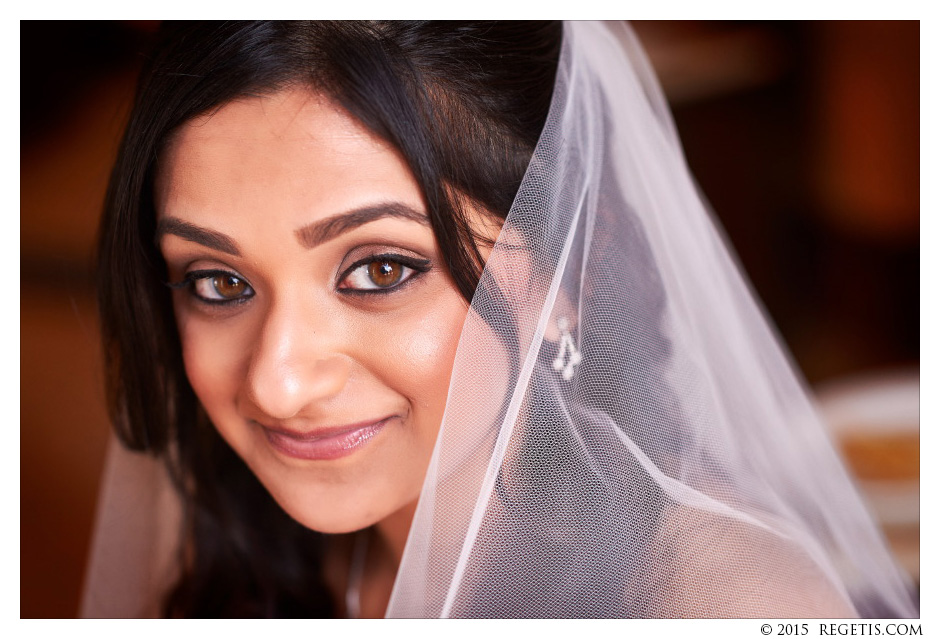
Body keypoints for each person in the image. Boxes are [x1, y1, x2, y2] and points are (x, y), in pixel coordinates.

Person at [83, 21, 918, 618]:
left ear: (567, 271)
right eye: (218, 281)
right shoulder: (237, 531)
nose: (278, 379)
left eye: (381, 269)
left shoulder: (719, 605)